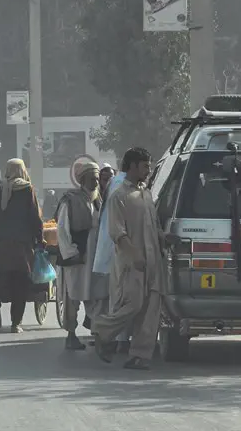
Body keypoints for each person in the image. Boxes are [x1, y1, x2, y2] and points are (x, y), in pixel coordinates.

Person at [94, 147, 173, 370]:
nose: (148, 170)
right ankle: (102, 330)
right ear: (132, 166)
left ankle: (140, 355)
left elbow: (154, 227)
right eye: (145, 166)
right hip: (131, 263)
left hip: (153, 261)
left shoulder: (146, 194)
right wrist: (134, 255)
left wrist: (165, 237)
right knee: (132, 304)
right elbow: (117, 234)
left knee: (151, 309)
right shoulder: (119, 196)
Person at [0, 158, 43, 333]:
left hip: (0, 244)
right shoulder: (27, 189)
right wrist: (40, 239)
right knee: (20, 283)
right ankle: (16, 324)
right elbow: (36, 218)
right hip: (22, 247)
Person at [56, 162, 105, 350]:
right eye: (92, 179)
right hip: (78, 257)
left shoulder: (99, 199)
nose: (95, 182)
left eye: (97, 179)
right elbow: (62, 229)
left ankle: (99, 334)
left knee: (97, 294)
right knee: (72, 295)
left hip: (96, 257)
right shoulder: (71, 200)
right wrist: (71, 253)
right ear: (82, 179)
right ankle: (71, 334)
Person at [92, 168, 133, 352]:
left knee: (118, 297)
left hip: (114, 250)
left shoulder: (117, 185)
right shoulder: (123, 186)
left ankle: (114, 337)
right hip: (119, 249)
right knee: (121, 298)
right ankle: (113, 337)